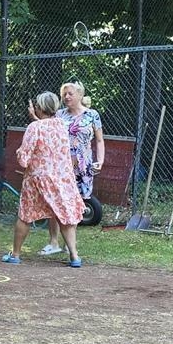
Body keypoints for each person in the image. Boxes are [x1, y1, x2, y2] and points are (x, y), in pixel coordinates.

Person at [3, 91, 84, 268]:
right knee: (65, 215)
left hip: (37, 179)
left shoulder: (34, 127)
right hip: (62, 178)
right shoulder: (62, 124)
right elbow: (49, 131)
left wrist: (20, 154)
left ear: (39, 107)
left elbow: (24, 159)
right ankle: (74, 256)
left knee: (25, 215)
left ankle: (15, 255)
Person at [43, 80, 104, 257]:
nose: (66, 97)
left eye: (70, 93)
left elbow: (99, 140)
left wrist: (100, 160)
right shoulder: (59, 115)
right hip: (60, 165)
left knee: (76, 203)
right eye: (64, 94)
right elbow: (47, 133)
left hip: (83, 166)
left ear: (80, 95)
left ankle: (69, 244)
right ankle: (53, 242)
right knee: (56, 201)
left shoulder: (92, 115)